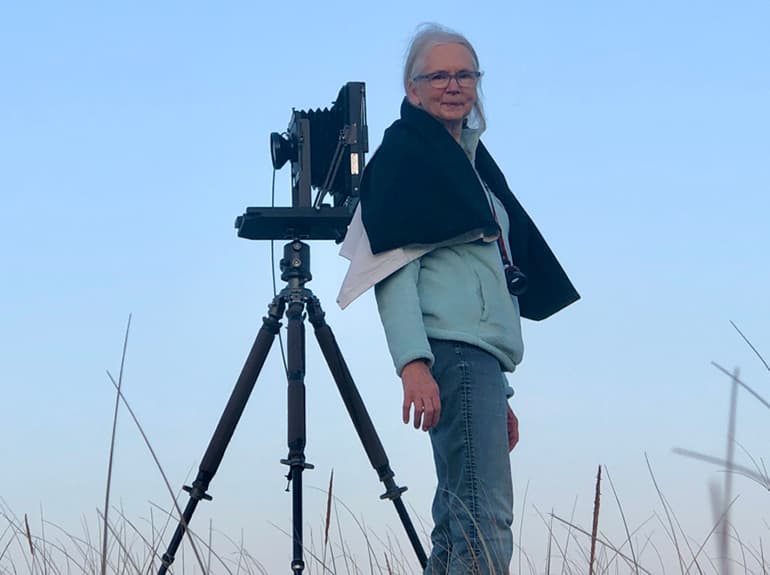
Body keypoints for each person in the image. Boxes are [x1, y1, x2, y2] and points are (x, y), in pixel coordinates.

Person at [338, 23, 579, 574]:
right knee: (483, 519)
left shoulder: (468, 161)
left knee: (457, 519)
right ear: (412, 89)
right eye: (439, 75)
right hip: (453, 355)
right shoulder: (408, 159)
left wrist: (501, 389)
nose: (454, 85)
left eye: (465, 74)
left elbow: (481, 279)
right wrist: (413, 364)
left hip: (477, 361)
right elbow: (393, 269)